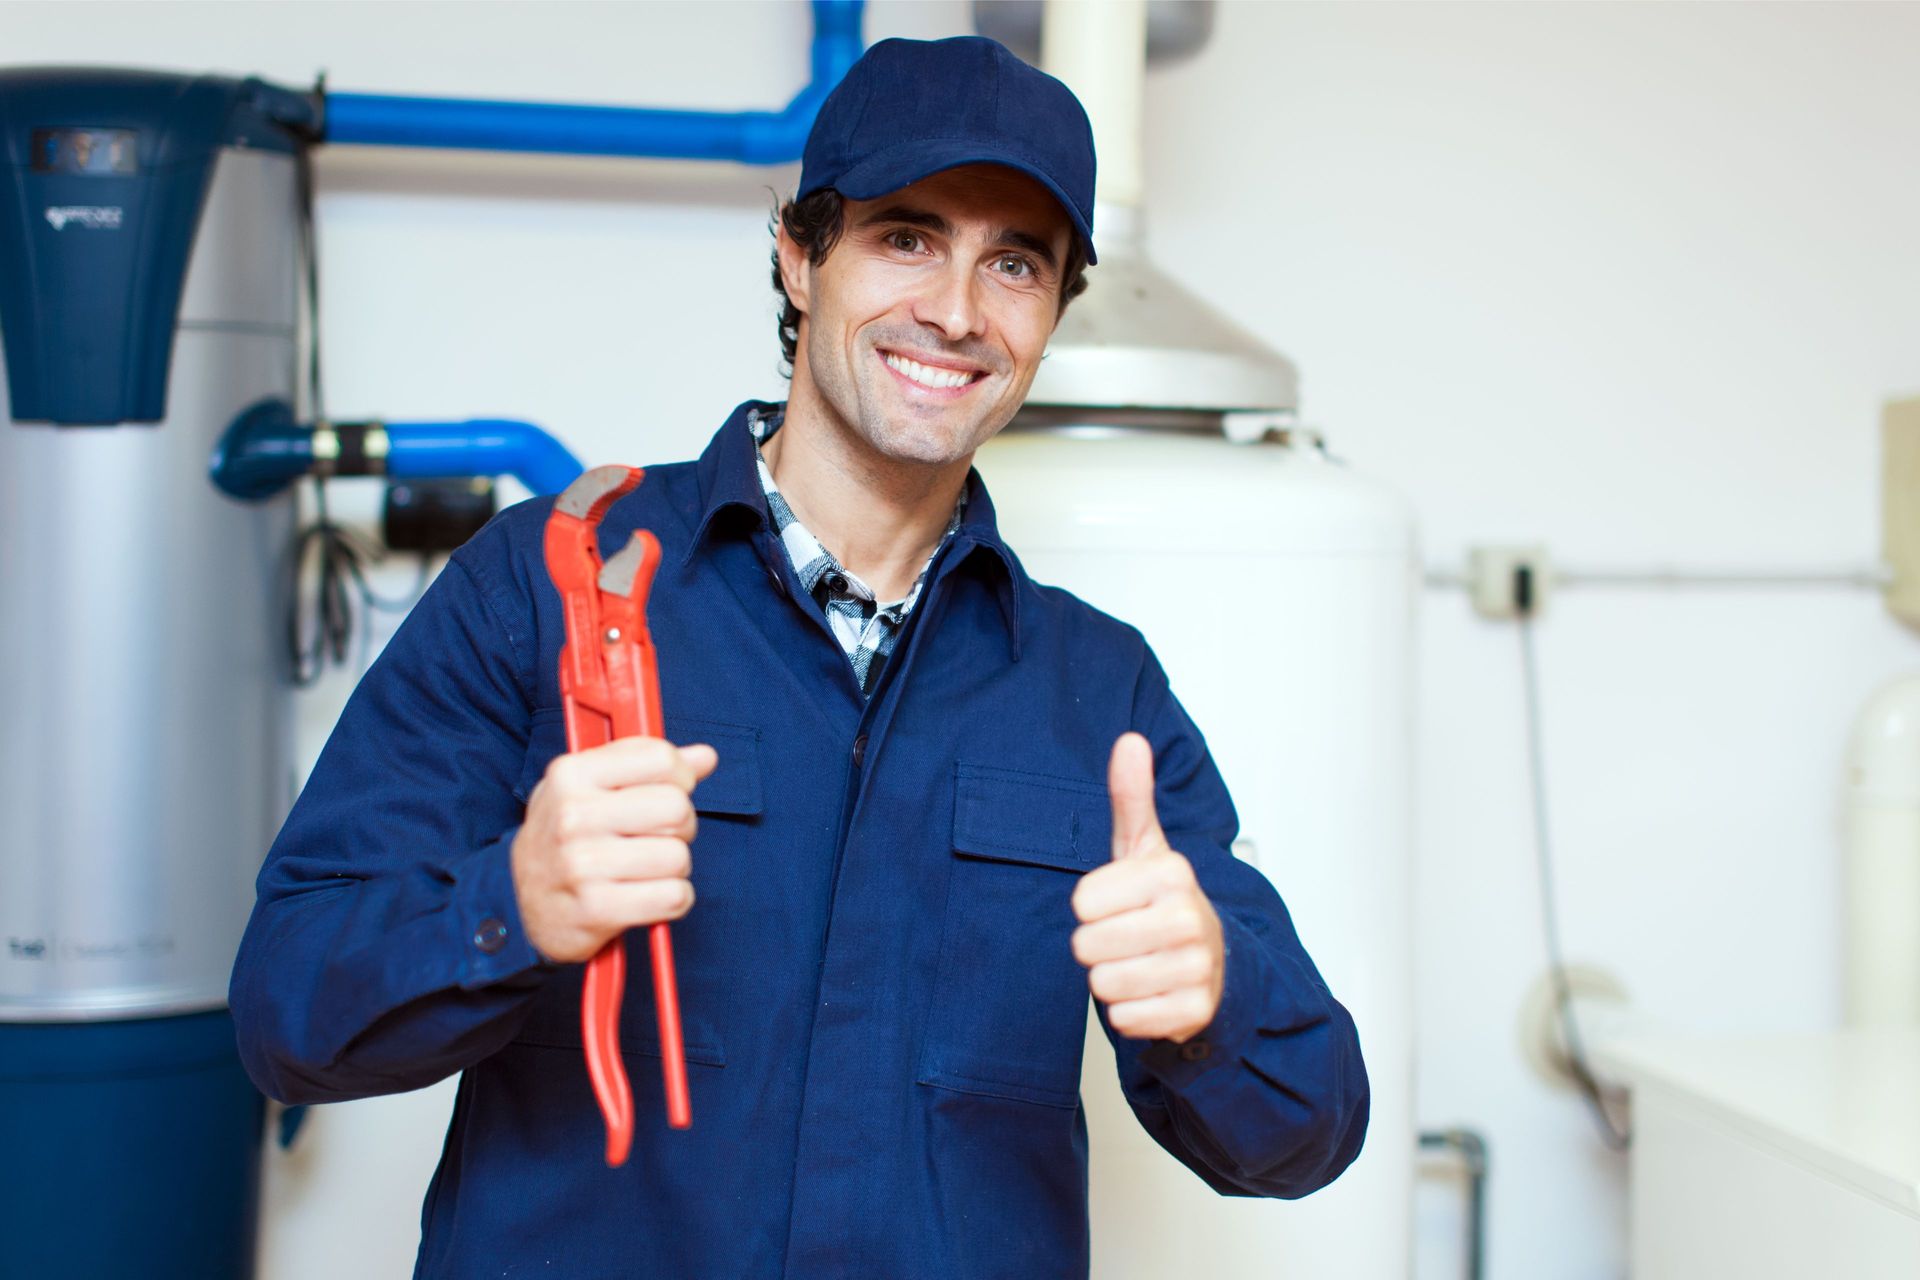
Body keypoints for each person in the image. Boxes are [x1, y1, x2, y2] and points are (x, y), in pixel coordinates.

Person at [231, 34, 1367, 1279]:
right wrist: (513, 905)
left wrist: (1214, 997)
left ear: (1052, 313)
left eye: (1016, 262)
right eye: (906, 236)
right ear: (797, 252)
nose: (955, 309)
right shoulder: (546, 587)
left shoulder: (1100, 696)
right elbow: (285, 1013)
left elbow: (1312, 1129)